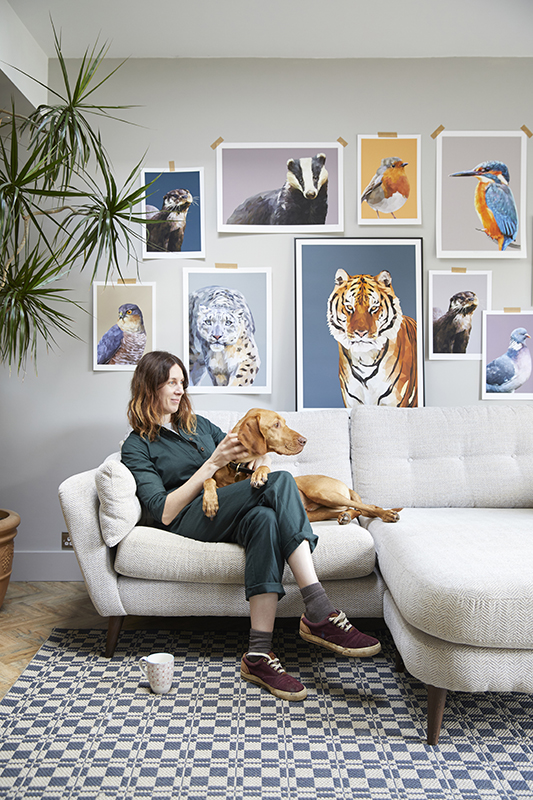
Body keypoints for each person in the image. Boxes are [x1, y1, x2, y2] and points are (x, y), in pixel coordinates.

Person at [121, 351, 381, 701]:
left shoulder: (196, 426)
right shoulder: (137, 445)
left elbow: (251, 450)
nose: (180, 390)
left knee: (265, 518)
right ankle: (319, 609)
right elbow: (163, 511)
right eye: (171, 382)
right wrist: (213, 463)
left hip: (229, 509)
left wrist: (257, 460)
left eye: (182, 382)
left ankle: (258, 655)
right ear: (148, 386)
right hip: (190, 517)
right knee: (283, 481)